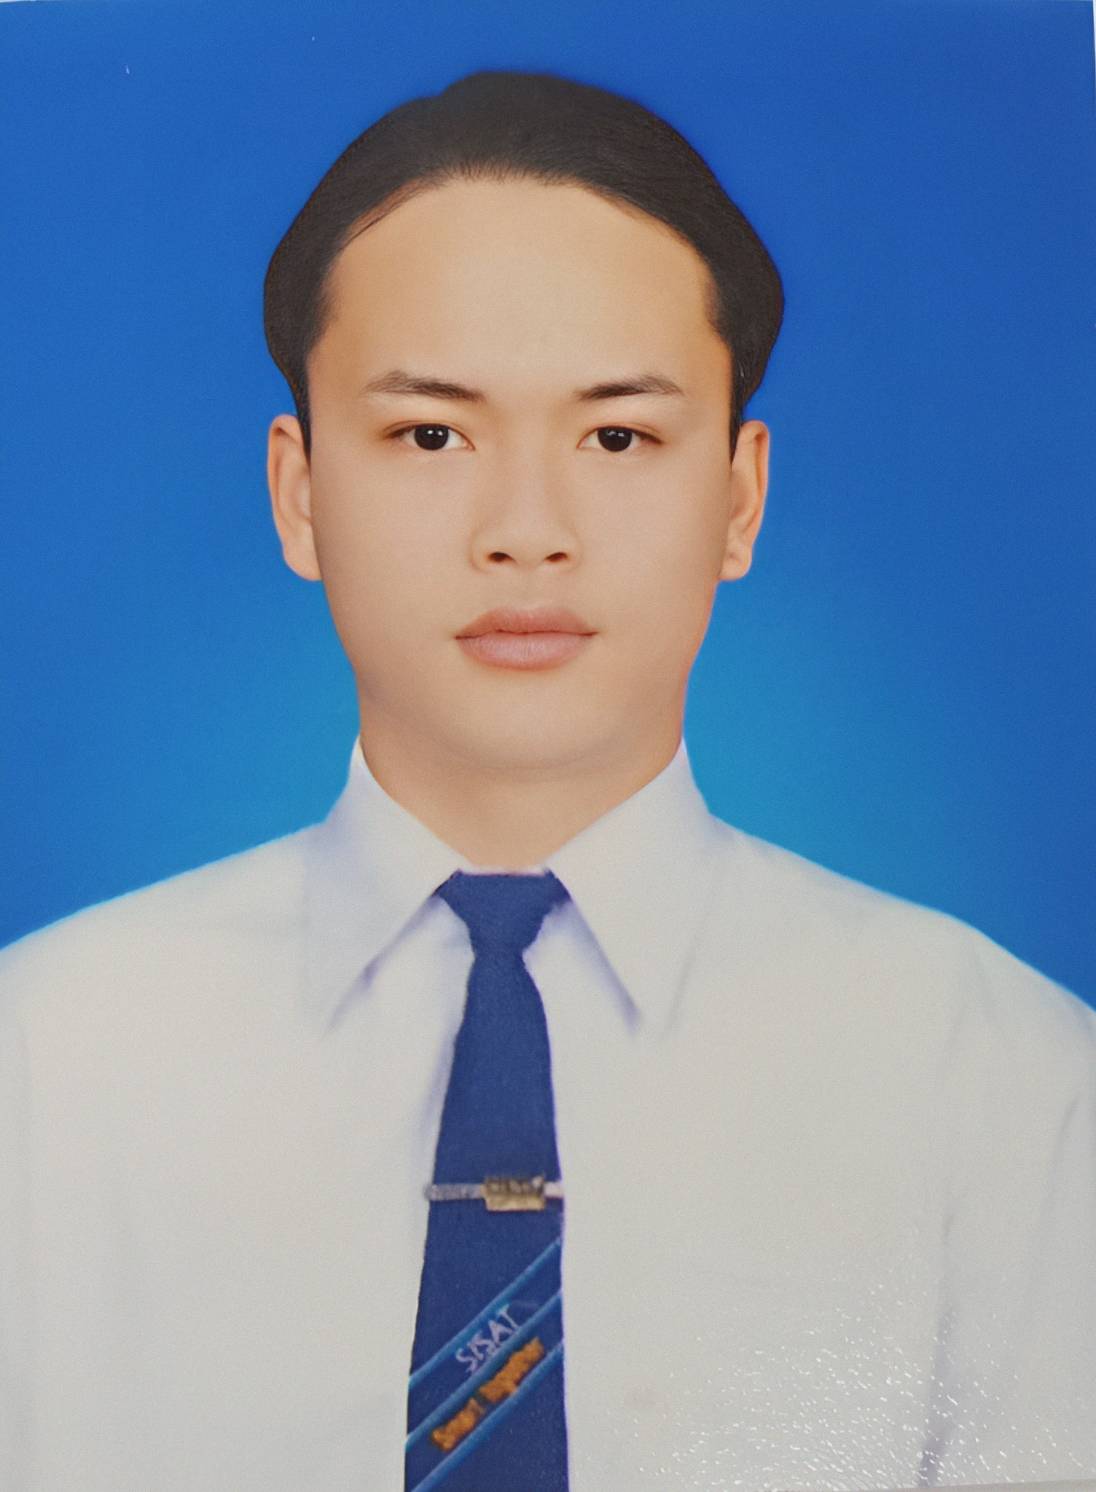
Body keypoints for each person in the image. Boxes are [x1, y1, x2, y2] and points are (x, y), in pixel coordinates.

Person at [1, 67, 1093, 1492]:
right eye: (432, 435)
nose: (526, 530)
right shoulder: (43, 1071)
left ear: (740, 497)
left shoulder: (1003, 1087)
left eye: (618, 436)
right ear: (299, 492)